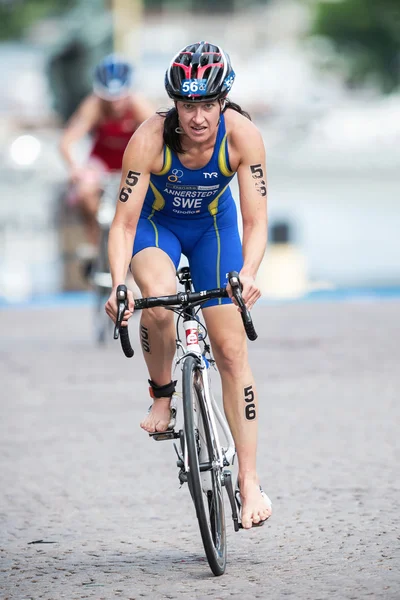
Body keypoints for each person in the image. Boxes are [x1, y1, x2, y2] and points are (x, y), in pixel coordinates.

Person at [105, 42, 271, 529]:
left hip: (214, 232)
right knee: (157, 303)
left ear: (223, 101)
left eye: (206, 105)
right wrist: (119, 286)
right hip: (157, 227)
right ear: (175, 104)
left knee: (231, 350)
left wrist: (250, 272)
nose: (196, 117)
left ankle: (248, 482)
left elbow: (257, 221)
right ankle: (162, 395)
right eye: (187, 105)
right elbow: (121, 224)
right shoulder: (149, 139)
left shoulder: (243, 137)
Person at [59, 54, 153, 255]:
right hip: (101, 161)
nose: (115, 104)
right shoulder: (93, 105)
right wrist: (75, 167)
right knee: (84, 192)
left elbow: (160, 137)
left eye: (119, 97)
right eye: (109, 98)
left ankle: (136, 247)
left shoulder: (138, 105)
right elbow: (67, 141)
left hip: (131, 162)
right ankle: (96, 244)